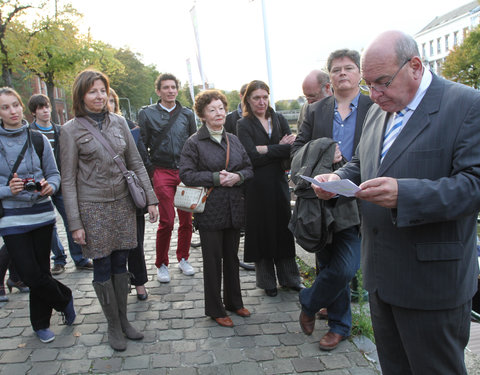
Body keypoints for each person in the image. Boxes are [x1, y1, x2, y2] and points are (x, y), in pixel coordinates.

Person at [312, 30, 480, 374]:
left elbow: (473, 185)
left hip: (432, 283)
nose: (373, 94)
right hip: (381, 276)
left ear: (415, 66)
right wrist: (340, 178)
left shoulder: (466, 105)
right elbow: (364, 161)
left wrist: (406, 195)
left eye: (382, 82)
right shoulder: (380, 108)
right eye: (368, 85)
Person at [60, 70, 158, 351]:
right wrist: (75, 223)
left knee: (121, 263)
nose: (99, 96)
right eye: (92, 91)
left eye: (102, 90)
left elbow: (136, 163)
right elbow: (67, 180)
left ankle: (124, 319)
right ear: (81, 95)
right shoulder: (70, 130)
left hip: (124, 205)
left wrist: (150, 200)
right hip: (93, 208)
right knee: (102, 264)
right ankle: (113, 325)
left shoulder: (119, 123)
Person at [293, 49, 373, 351]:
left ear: (359, 73)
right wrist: (324, 151)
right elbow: (297, 149)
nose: (342, 73)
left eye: (349, 68)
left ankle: (309, 300)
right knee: (327, 264)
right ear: (330, 76)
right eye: (337, 69)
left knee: (346, 267)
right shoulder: (316, 110)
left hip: (358, 196)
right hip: (321, 198)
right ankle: (339, 325)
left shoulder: (374, 107)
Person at [0, 87, 75, 343]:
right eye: (5, 107)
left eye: (15, 105)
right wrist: (7, 189)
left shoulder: (37, 139)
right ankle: (64, 298)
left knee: (42, 270)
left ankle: (40, 324)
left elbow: (54, 174)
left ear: (22, 107)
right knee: (31, 274)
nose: (12, 111)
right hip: (11, 217)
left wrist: (50, 186)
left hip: (42, 214)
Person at [179, 89, 253, 327]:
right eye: (212, 109)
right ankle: (215, 308)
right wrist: (216, 178)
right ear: (202, 114)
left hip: (233, 207)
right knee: (212, 260)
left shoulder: (233, 139)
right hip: (210, 209)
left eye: (221, 108)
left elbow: (249, 168)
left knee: (232, 256)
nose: (218, 113)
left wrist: (237, 177)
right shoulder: (194, 142)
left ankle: (234, 301)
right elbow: (186, 174)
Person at [237, 80, 303, 297]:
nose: (261, 102)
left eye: (265, 96)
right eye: (256, 97)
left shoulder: (279, 118)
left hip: (278, 182)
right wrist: (278, 148)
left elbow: (291, 150)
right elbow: (249, 156)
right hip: (255, 186)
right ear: (248, 99)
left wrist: (266, 149)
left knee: (283, 230)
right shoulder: (243, 124)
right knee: (261, 231)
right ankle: (267, 282)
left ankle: (290, 278)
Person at [138, 73, 197, 283]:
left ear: (177, 89)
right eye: (165, 87)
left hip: (184, 171)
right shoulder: (147, 114)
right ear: (158, 91)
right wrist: (150, 170)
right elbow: (141, 144)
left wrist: (193, 170)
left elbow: (194, 142)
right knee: (167, 220)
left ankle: (183, 258)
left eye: (173, 87)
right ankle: (161, 263)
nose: (170, 91)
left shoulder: (187, 114)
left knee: (186, 221)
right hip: (161, 170)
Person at [28, 94, 93, 275]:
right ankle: (59, 258)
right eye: (41, 108)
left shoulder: (60, 130)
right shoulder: (30, 134)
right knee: (49, 225)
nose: (45, 110)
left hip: (63, 182)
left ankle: (79, 257)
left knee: (71, 219)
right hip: (40, 186)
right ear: (34, 112)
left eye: (47, 106)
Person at [108, 88, 149, 301]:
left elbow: (142, 160)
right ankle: (118, 285)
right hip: (107, 197)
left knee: (136, 242)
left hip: (132, 194)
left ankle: (139, 282)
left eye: (111, 102)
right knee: (113, 245)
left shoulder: (131, 128)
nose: (108, 106)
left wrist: (148, 195)